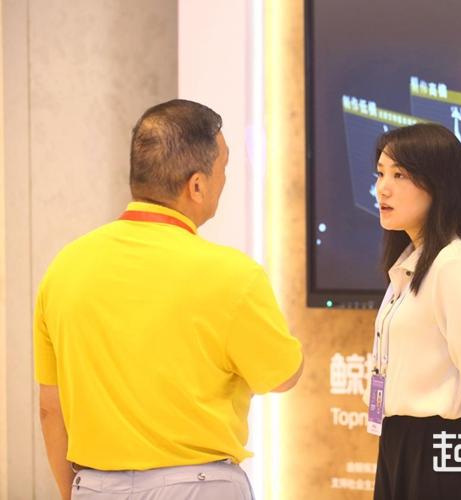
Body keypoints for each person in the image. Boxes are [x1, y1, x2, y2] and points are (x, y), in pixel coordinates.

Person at [34, 99, 303, 500]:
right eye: (224, 168)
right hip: (199, 487)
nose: (224, 181)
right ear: (197, 185)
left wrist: (74, 493)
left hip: (94, 486)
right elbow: (282, 376)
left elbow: (50, 409)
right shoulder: (233, 275)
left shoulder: (64, 268)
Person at [366, 123, 461, 500]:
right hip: (400, 443)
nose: (383, 188)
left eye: (399, 175)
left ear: (438, 185)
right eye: (381, 174)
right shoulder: (411, 263)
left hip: (443, 451)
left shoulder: (454, 263)